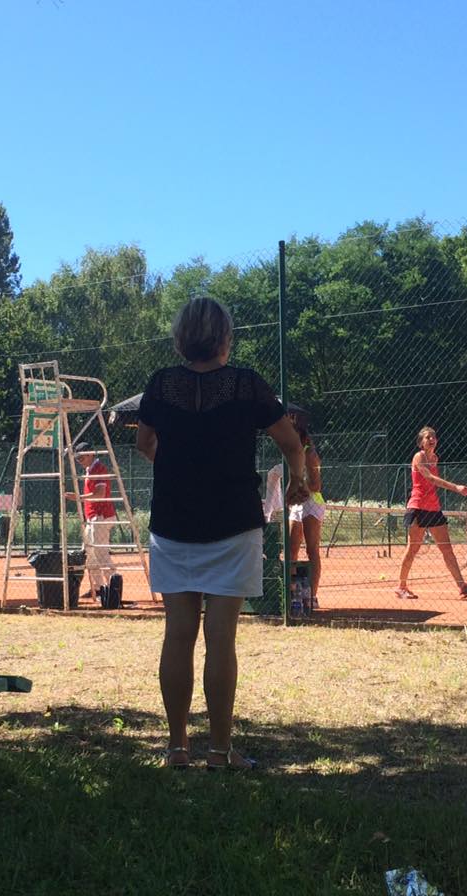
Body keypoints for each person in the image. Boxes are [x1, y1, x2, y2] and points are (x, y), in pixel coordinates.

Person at [136, 296, 307, 770]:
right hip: (233, 524)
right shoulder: (247, 384)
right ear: (225, 338)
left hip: (173, 523)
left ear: (180, 338)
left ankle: (176, 750)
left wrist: (180, 467)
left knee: (177, 635)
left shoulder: (160, 384)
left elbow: (145, 442)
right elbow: (290, 441)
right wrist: (298, 478)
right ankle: (218, 751)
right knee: (221, 639)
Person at [396, 426, 467, 600]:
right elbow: (430, 478)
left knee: (446, 548)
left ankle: (462, 586)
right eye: (428, 437)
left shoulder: (435, 458)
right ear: (421, 442)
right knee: (413, 548)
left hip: (433, 508)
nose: (432, 439)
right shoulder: (418, 457)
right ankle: (401, 587)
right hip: (418, 507)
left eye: (434, 437)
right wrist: (456, 487)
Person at [65, 442, 118, 596]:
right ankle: (99, 587)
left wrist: (78, 497)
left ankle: (114, 588)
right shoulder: (90, 470)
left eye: (81, 457)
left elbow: (100, 494)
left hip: (101, 516)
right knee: (88, 554)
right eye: (77, 458)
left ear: (91, 454)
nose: (79, 461)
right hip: (93, 517)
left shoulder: (99, 469)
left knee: (101, 553)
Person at [288, 411, 324, 610]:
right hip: (297, 502)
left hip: (312, 502)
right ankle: (293, 594)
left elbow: (316, 486)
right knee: (291, 548)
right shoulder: (290, 452)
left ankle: (313, 596)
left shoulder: (310, 454)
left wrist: (301, 486)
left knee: (312, 550)